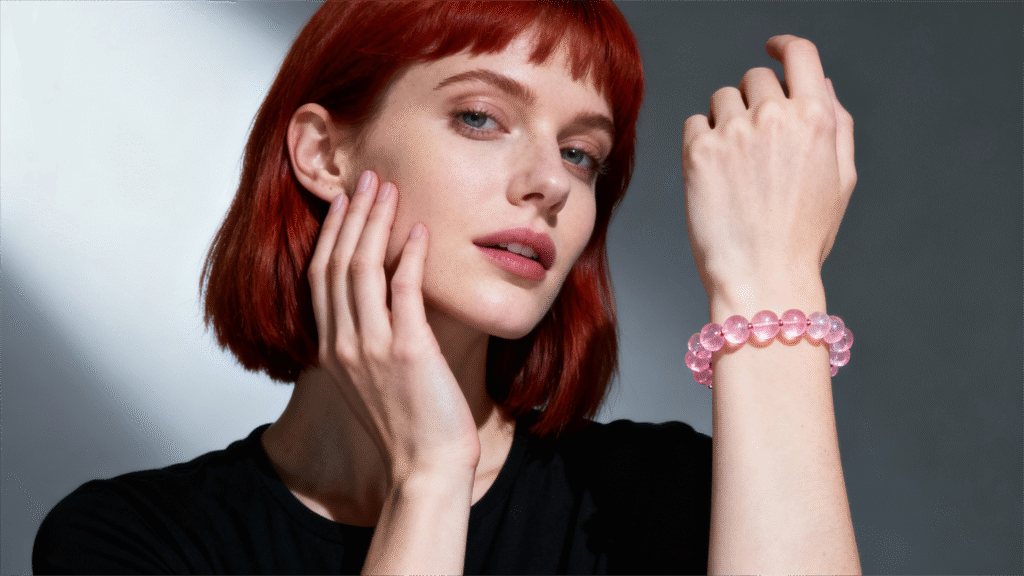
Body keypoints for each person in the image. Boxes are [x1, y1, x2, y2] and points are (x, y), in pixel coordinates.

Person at [32, 1, 860, 574]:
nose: (551, 183)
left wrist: (771, 272)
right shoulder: (131, 542)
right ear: (324, 154)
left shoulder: (663, 501)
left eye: (581, 154)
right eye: (480, 117)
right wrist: (429, 477)